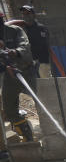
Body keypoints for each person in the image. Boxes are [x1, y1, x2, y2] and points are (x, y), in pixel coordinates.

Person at [0, 11, 35, 152]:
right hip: (10, 76)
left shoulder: (14, 30)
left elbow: (25, 46)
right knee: (9, 109)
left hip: (27, 72)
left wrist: (15, 52)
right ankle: (27, 137)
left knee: (41, 102)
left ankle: (51, 133)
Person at [18, 5, 48, 82]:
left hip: (41, 62)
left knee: (46, 83)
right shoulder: (22, 29)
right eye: (23, 14)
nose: (25, 16)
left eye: (28, 14)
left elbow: (43, 45)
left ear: (33, 15)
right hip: (28, 64)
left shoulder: (41, 28)